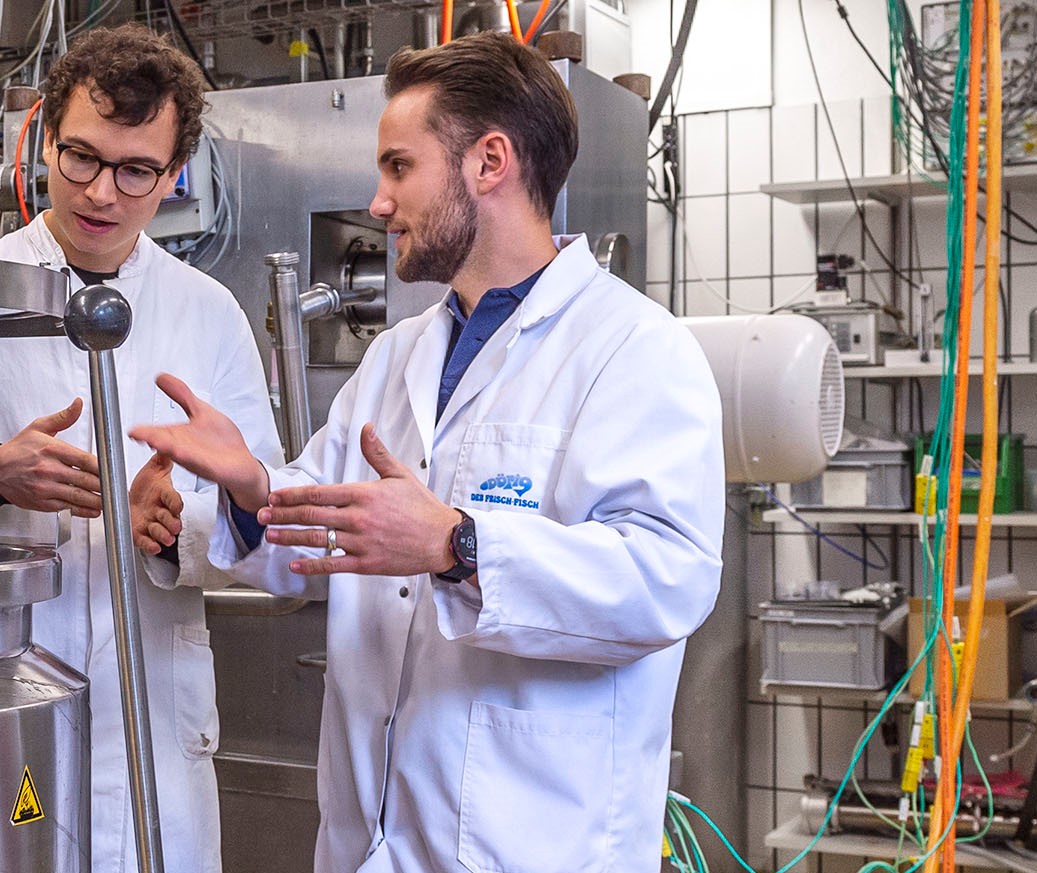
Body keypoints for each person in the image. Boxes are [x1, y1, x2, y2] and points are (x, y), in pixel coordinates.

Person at [129, 32, 723, 873]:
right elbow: (328, 524)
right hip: (369, 833)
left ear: (489, 162)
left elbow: (669, 581)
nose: (376, 203)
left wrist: (456, 545)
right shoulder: (399, 352)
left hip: (531, 841)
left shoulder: (633, 351)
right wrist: (250, 489)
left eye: (398, 167)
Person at [0, 23, 282, 873]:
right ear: (45, 144)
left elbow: (261, 508)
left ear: (173, 175)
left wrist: (174, 521)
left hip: (155, 700)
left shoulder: (206, 314)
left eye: (136, 170)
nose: (102, 192)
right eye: (81, 158)